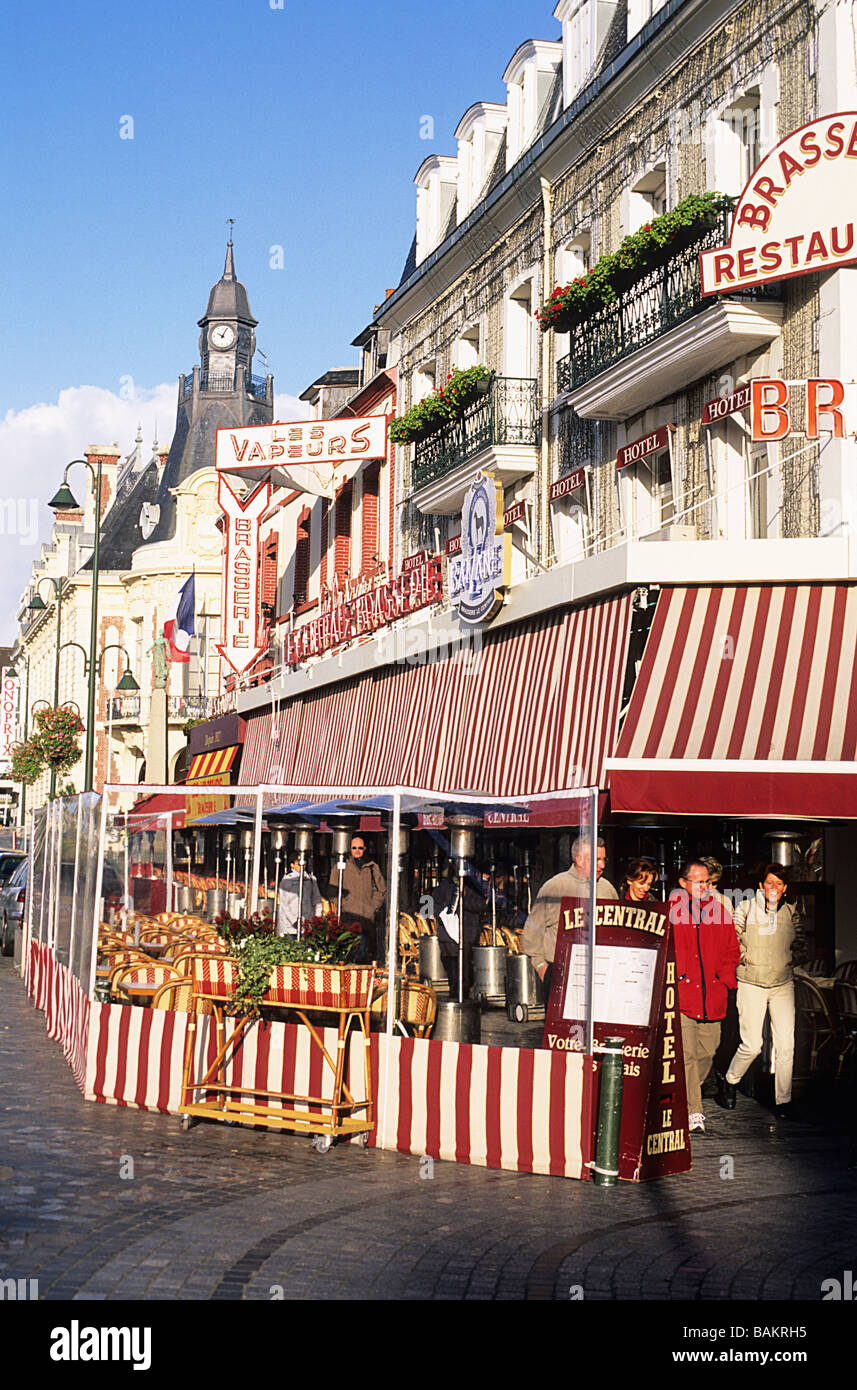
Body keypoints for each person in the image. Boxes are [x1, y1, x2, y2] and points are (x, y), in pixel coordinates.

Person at [718, 863, 807, 1120]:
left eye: (779, 884)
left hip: (782, 984)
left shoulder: (791, 912)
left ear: (785, 889)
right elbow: (731, 941)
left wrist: (792, 957)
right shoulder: (745, 908)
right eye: (769, 883)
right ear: (761, 885)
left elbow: (802, 946)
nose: (773, 888)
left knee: (786, 1045)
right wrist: (746, 958)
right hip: (751, 982)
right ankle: (730, 1082)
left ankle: (783, 1101)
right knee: (753, 1045)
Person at [669, 859, 740, 1136]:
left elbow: (732, 950)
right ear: (683, 883)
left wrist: (725, 977)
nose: (703, 886)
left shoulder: (719, 911)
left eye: (707, 881)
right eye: (697, 881)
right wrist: (678, 975)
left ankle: (680, 1097)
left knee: (708, 1052)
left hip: (712, 995)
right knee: (686, 1055)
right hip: (683, 995)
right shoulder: (672, 912)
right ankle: (693, 1112)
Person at [521, 836, 618, 996]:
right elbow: (532, 934)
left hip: (600, 975)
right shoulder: (554, 887)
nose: (602, 865)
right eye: (596, 859)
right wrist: (542, 969)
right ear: (579, 860)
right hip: (560, 973)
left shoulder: (607, 889)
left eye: (603, 859)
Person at [432, 863, 488, 997]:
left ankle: (463, 991)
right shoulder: (444, 886)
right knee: (449, 962)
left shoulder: (473, 887)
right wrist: (443, 915)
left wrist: (464, 900)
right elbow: (436, 905)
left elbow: (480, 905)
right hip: (447, 932)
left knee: (463, 962)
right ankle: (454, 989)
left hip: (466, 931)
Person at [329, 836, 386, 963]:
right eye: (354, 847)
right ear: (349, 849)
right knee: (348, 954)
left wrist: (372, 906)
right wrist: (343, 905)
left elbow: (381, 890)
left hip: (366, 919)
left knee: (363, 954)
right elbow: (333, 891)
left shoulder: (372, 867)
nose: (357, 850)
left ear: (364, 849)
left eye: (360, 848)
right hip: (348, 918)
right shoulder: (340, 867)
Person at [276, 854, 322, 937]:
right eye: (299, 864)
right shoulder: (287, 880)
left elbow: (316, 899)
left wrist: (317, 918)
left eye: (304, 864)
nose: (302, 866)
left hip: (307, 924)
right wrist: (294, 920)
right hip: (290, 927)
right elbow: (284, 904)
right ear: (292, 865)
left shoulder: (311, 879)